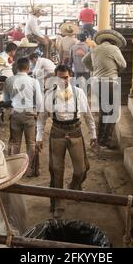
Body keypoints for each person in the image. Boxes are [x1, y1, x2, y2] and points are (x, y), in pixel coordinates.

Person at [36, 65, 97, 218]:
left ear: (70, 77)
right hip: (57, 131)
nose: (64, 80)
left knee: (81, 169)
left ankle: (74, 186)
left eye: (66, 77)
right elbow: (41, 119)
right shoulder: (49, 95)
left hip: (75, 130)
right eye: (60, 77)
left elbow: (88, 116)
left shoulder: (79, 93)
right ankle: (59, 203)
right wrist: (38, 138)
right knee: (57, 170)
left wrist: (93, 134)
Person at [82, 29, 127, 149]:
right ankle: (106, 139)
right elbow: (123, 65)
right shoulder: (114, 49)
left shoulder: (95, 49)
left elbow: (84, 61)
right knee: (113, 112)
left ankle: (100, 137)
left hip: (96, 82)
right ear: (113, 42)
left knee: (103, 110)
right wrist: (115, 69)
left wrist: (94, 69)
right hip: (110, 82)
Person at [3, 57, 43, 177]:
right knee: (31, 143)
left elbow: (5, 100)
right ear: (28, 68)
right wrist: (37, 113)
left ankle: (14, 170)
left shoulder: (9, 80)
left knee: (15, 142)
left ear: (16, 67)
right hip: (30, 114)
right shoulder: (34, 81)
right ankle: (29, 169)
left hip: (16, 114)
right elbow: (39, 102)